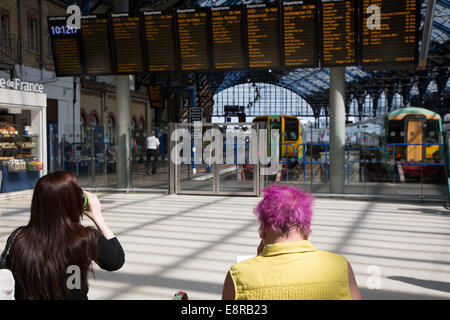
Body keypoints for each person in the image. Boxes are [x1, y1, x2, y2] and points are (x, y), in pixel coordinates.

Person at [222, 185, 361, 300]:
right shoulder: (340, 267)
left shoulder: (238, 275)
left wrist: (257, 262)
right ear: (307, 228)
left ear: (263, 227)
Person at [0, 171, 125, 300]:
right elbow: (116, 261)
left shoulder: (18, 238)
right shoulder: (85, 238)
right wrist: (98, 217)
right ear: (76, 202)